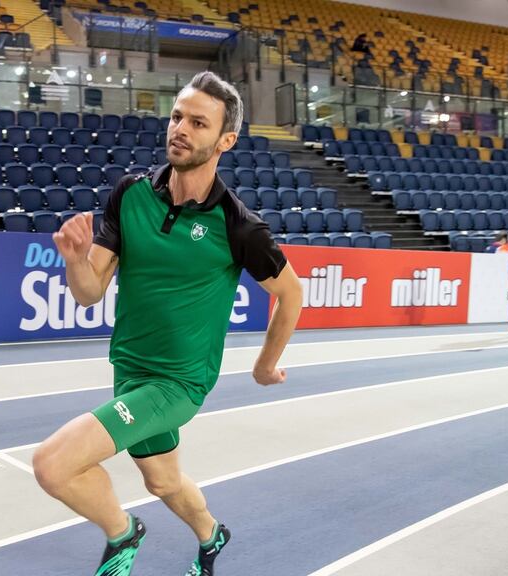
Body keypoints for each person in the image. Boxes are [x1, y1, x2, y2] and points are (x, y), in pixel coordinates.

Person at [32, 71, 304, 576]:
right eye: (178, 116)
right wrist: (73, 260)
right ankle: (212, 535)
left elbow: (291, 295)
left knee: (52, 464)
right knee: (162, 481)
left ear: (225, 140)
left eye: (198, 123)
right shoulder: (130, 194)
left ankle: (122, 534)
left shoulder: (238, 225)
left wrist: (266, 366)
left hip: (179, 381)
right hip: (129, 367)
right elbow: (90, 293)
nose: (180, 128)